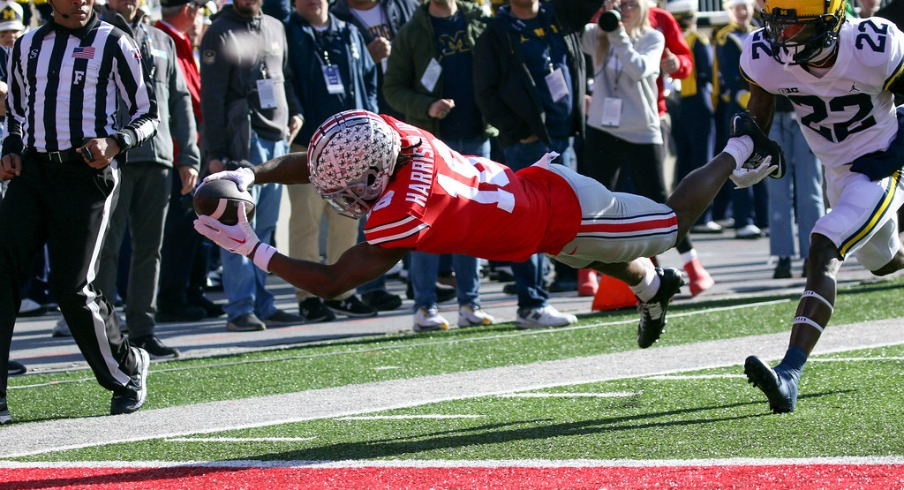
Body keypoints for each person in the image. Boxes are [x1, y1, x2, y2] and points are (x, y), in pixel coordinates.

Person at [194, 109, 784, 342]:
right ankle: (654, 288)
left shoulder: (404, 213)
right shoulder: (398, 136)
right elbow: (323, 162)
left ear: (375, 172)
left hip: (559, 211)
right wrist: (254, 172)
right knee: (587, 257)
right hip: (538, 197)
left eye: (351, 187)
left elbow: (332, 282)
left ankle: (739, 147)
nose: (340, 192)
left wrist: (252, 247)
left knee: (669, 222)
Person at [739, 0, 904, 413]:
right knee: (883, 262)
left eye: (795, 26)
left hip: (878, 167)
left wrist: (895, 155)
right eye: (777, 24)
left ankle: (789, 373)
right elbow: (760, 101)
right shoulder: (766, 55)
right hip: (837, 173)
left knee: (824, 243)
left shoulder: (872, 45)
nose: (783, 36)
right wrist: (745, 145)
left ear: (831, 23)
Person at [0, 0, 159, 423]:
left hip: (86, 173)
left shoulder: (115, 42)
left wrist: (116, 141)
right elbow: (16, 112)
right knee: (2, 276)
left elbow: (149, 115)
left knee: (72, 288)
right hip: (32, 173)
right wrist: (12, 147)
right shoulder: (27, 44)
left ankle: (127, 371)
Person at [473, 0, 602, 326]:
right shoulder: (497, 32)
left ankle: (549, 289)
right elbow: (485, 92)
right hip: (527, 145)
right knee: (528, 222)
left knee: (565, 218)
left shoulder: (559, 14)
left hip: (565, 137)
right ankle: (531, 304)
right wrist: (519, 133)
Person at [90, 0, 202, 359]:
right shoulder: (95, 34)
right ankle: (105, 334)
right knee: (106, 249)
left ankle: (142, 330)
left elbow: (181, 99)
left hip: (158, 158)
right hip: (113, 158)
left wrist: (188, 155)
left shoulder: (161, 39)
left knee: (150, 250)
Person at [382, 0, 498, 330]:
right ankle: (424, 307)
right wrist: (427, 106)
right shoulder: (411, 32)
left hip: (478, 137)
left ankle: (470, 303)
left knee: (471, 223)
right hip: (433, 142)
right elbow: (392, 88)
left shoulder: (479, 18)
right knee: (427, 223)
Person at [199, 0, 306, 332]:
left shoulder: (276, 26)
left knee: (268, 226)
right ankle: (240, 308)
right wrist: (214, 151)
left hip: (277, 138)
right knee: (237, 225)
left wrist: (296, 112)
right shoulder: (219, 31)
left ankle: (264, 303)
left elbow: (285, 77)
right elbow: (212, 96)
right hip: (241, 139)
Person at [284, 0, 380, 322]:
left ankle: (342, 291)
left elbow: (369, 80)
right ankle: (308, 296)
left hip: (351, 147)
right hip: (307, 146)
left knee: (346, 222)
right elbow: (285, 81)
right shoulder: (288, 32)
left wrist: (371, 122)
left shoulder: (350, 33)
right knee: (306, 223)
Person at [331, 0, 418, 312]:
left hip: (405, 113)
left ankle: (416, 277)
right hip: (366, 124)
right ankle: (371, 284)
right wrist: (367, 59)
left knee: (409, 197)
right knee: (368, 201)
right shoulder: (337, 15)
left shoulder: (401, 6)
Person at [715, 0, 769, 240]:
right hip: (740, 106)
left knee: (765, 159)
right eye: (737, 8)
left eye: (745, 7)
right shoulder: (726, 37)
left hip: (761, 102)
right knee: (741, 163)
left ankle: (764, 218)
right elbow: (729, 75)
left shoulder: (758, 31)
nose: (742, 12)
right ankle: (743, 220)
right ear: (730, 12)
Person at [766, 95, 824, 279]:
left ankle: (813, 255)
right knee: (778, 193)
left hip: (809, 114)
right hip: (774, 114)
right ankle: (783, 256)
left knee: (811, 192)